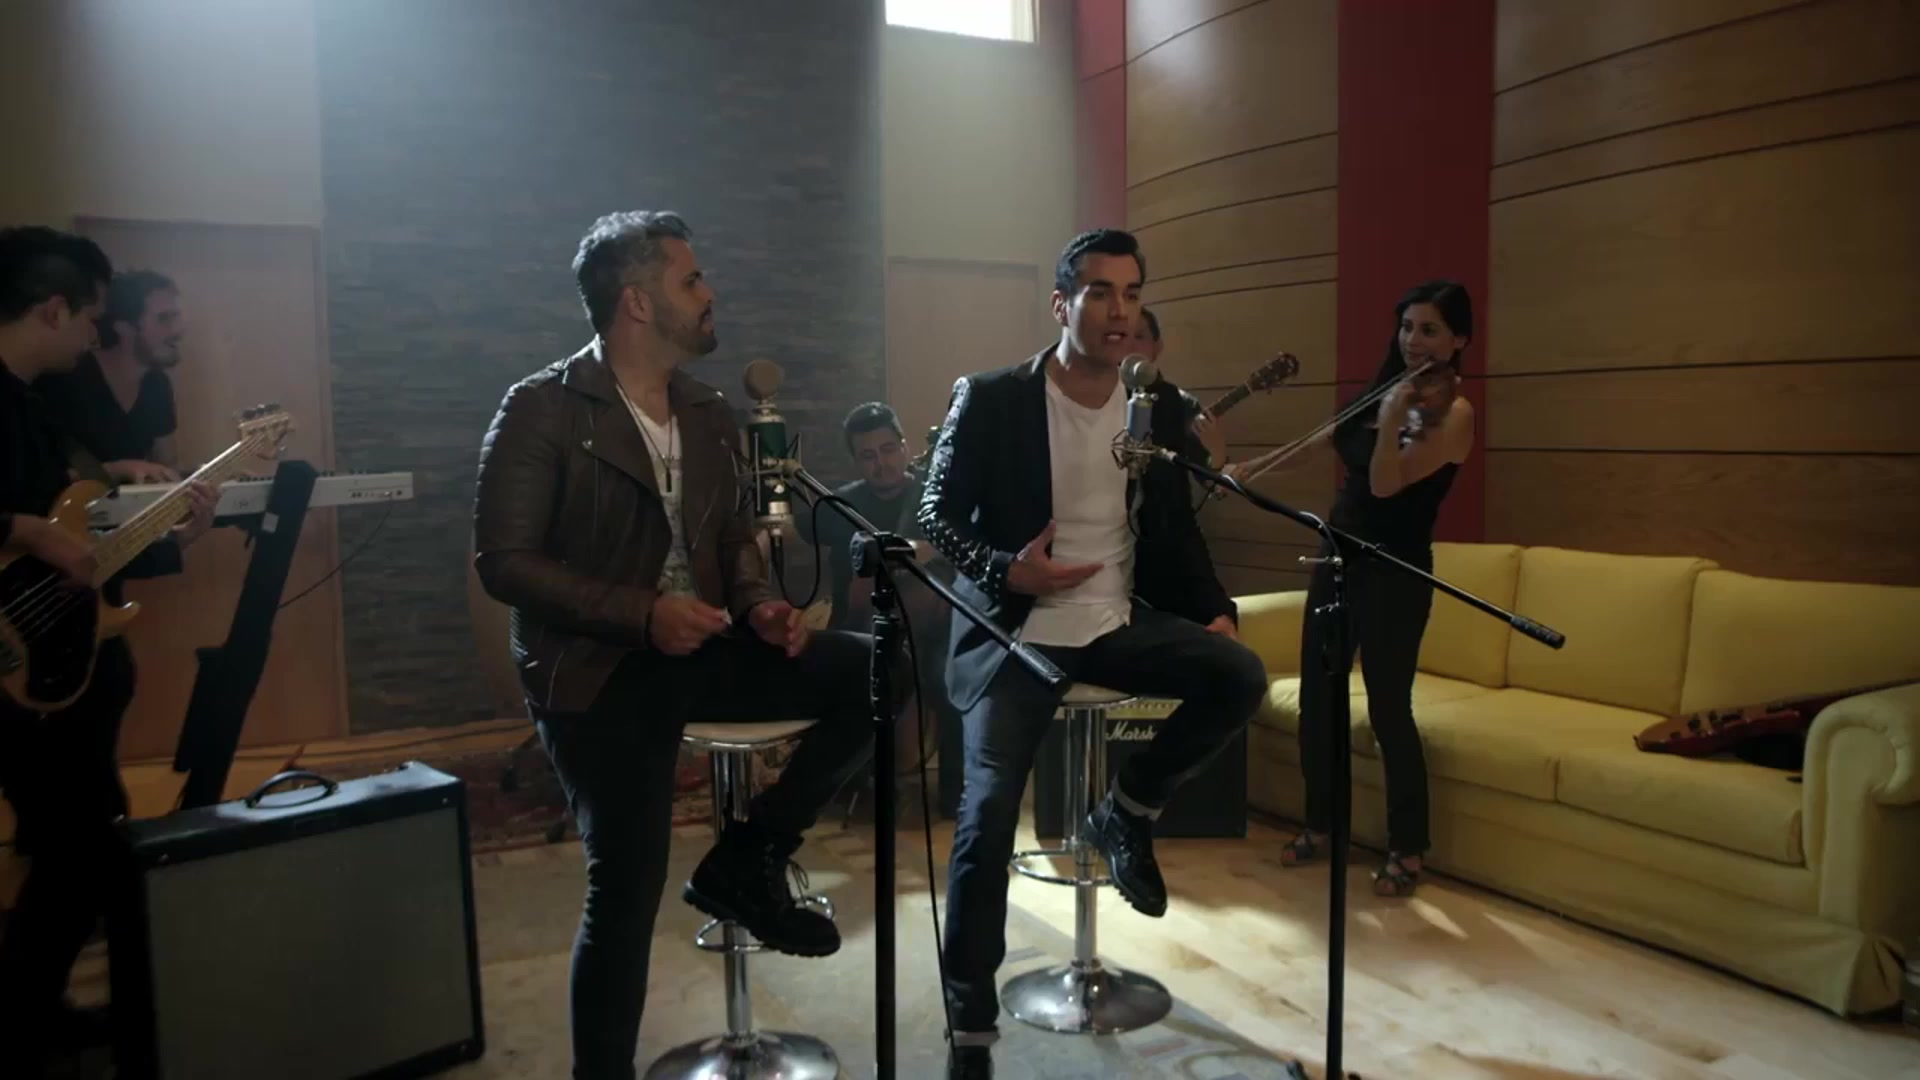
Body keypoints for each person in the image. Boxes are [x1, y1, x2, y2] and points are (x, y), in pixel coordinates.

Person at [471, 210, 880, 1080]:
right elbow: (503, 562)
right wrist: (641, 613)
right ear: (637, 301)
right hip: (600, 668)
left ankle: (753, 856)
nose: (709, 292)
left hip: (704, 646)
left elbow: (732, 539)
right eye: (691, 279)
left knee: (877, 669)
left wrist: (761, 606)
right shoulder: (542, 408)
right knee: (625, 886)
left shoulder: (707, 410)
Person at [918, 228, 1268, 1078]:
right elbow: (933, 515)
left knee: (1238, 675)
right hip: (1016, 633)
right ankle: (970, 1024)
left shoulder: (1157, 405)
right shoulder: (993, 397)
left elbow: (1174, 528)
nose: (1120, 312)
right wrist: (1007, 570)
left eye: (1132, 294)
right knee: (986, 821)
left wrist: (1213, 611)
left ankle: (1127, 810)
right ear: (1061, 304)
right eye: (1101, 293)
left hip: (1112, 624)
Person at [0, 227, 216, 1075]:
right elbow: (35, 532)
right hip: (18, 666)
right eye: (89, 316)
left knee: (85, 838)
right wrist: (22, 529)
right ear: (53, 310)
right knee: (77, 847)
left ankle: (39, 1010)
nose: (95, 334)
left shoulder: (32, 407)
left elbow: (77, 537)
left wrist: (169, 527)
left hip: (62, 648)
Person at [1268, 280, 1476, 898]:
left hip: (1396, 569)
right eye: (1407, 326)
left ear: (1459, 340)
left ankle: (1408, 846)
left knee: (1389, 709)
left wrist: (1389, 422)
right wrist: (1253, 469)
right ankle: (1322, 823)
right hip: (1338, 556)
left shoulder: (1453, 413)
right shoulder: (1387, 387)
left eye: (1430, 330)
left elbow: (1386, 485)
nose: (1413, 340)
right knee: (1318, 700)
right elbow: (1329, 441)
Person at [796, 401, 960, 809]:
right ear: (855, 461)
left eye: (888, 450)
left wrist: (927, 549)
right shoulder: (839, 506)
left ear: (905, 447)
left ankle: (956, 795)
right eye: (868, 456)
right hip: (861, 628)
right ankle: (853, 785)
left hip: (930, 630)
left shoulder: (934, 497)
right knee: (852, 678)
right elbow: (794, 526)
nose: (881, 463)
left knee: (953, 677)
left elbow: (964, 545)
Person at [36, 269, 187, 483]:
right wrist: (119, 469)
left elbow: (167, 465)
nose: (178, 330)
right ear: (124, 327)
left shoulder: (157, 384)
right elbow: (35, 481)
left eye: (176, 317)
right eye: (164, 319)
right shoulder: (65, 378)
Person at [1131, 306, 1229, 469]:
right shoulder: (1101, 397)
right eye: (1122, 337)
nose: (1129, 345)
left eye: (1139, 337)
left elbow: (1208, 479)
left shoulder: (1182, 403)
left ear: (1157, 346)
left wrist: (1217, 451)